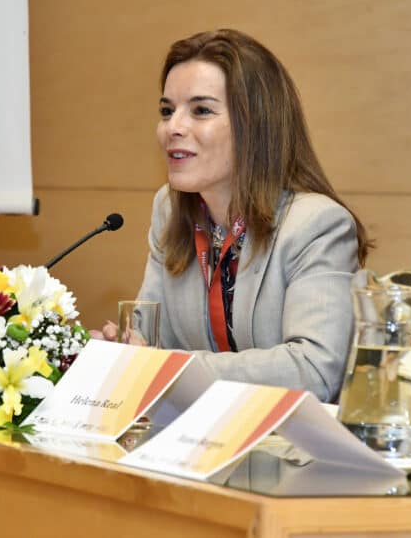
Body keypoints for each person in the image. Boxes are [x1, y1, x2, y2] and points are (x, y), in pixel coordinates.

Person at [100, 28, 369, 403]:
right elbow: (150, 339)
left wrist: (168, 367)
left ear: (255, 125)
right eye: (167, 111)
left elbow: (316, 369)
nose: (173, 127)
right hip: (198, 431)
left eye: (201, 111)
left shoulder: (316, 225)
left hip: (285, 437)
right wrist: (122, 349)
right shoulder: (170, 209)